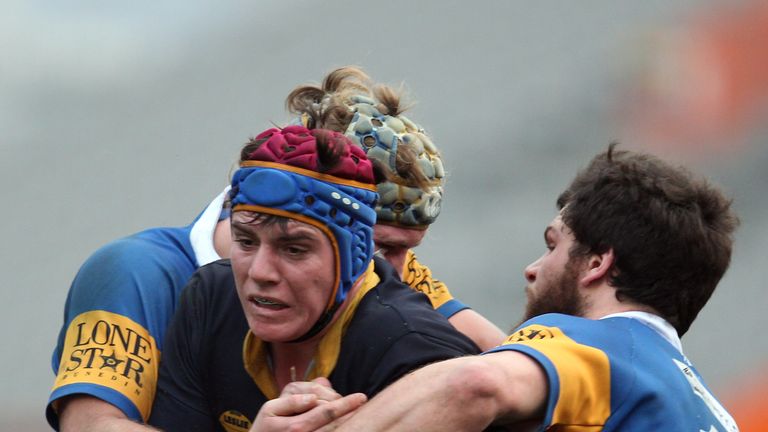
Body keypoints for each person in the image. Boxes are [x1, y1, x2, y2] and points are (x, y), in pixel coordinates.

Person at [45, 66, 500, 431]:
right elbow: (88, 422)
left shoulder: (376, 273)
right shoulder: (139, 272)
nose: (391, 269)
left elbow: (510, 360)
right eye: (381, 246)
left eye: (402, 250)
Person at [301, 144, 740, 431]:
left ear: (596, 263)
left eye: (553, 246)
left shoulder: (603, 345)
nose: (533, 269)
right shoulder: (708, 410)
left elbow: (473, 383)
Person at [146, 107, 480, 430]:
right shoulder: (210, 299)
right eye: (246, 242)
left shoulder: (417, 355)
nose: (260, 272)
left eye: (293, 249)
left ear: (357, 255)